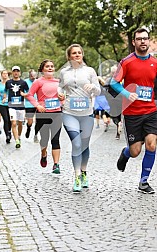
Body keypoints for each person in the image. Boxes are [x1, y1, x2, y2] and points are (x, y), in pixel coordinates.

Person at [110, 27, 157, 194]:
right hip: (132, 113)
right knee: (136, 151)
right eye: (139, 39)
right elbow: (113, 83)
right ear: (134, 42)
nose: (142, 41)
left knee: (151, 144)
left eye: (145, 38)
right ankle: (126, 153)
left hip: (151, 111)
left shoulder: (155, 63)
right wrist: (126, 93)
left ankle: (144, 181)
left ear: (149, 41)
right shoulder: (127, 62)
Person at [58, 44, 101, 192]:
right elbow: (60, 86)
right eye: (74, 53)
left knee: (84, 144)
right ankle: (76, 176)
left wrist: (92, 88)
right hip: (69, 112)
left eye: (79, 53)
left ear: (82, 55)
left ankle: (84, 172)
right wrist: (60, 93)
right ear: (69, 56)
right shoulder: (64, 72)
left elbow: (98, 90)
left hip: (87, 113)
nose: (77, 55)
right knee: (76, 143)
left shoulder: (90, 71)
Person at [26, 59, 62, 174]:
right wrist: (37, 105)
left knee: (55, 139)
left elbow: (63, 97)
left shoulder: (58, 82)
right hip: (43, 113)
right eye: (47, 66)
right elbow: (29, 95)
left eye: (52, 66)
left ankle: (56, 165)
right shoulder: (38, 82)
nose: (50, 68)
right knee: (45, 139)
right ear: (42, 69)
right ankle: (43, 154)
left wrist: (62, 99)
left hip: (57, 113)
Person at [4, 66, 29, 148]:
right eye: (14, 71)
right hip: (11, 106)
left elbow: (28, 93)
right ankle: (17, 141)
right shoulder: (8, 82)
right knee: (13, 123)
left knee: (20, 123)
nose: (16, 73)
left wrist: (24, 95)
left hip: (21, 106)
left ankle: (19, 136)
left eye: (17, 71)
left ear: (20, 73)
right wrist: (4, 97)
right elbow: (5, 91)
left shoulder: (23, 82)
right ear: (12, 73)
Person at [104, 65, 122, 139]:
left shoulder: (109, 80)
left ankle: (118, 123)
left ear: (111, 72)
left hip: (112, 100)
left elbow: (105, 89)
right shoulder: (120, 79)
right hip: (120, 99)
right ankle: (119, 124)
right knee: (119, 114)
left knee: (113, 115)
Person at [0, 70, 12, 143]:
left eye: (6, 74)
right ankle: (7, 136)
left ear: (8, 75)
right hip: (1, 103)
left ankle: (9, 131)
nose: (5, 75)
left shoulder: (11, 83)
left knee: (10, 120)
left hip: (10, 103)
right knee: (5, 119)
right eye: (3, 74)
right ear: (1, 75)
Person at [24, 69, 39, 142]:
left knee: (38, 121)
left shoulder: (38, 82)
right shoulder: (25, 82)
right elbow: (22, 93)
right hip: (29, 104)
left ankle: (36, 135)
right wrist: (27, 95)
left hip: (38, 104)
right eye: (31, 76)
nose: (33, 77)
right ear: (29, 75)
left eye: (34, 76)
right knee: (30, 121)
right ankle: (28, 128)